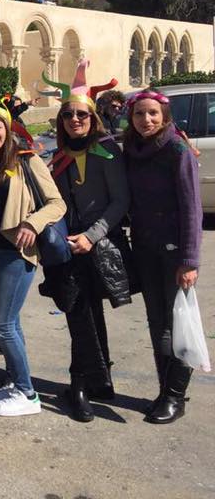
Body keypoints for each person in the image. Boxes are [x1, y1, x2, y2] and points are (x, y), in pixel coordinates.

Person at [0, 87, 66, 417]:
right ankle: (13, 380)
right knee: (9, 324)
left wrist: (33, 223)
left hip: (15, 255)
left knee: (1, 324)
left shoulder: (26, 160)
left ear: (7, 129)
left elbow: (56, 203)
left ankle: (27, 393)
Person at [46, 60, 131, 422]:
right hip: (68, 248)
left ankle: (80, 384)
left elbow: (120, 202)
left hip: (98, 245)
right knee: (80, 312)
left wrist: (91, 237)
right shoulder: (59, 156)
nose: (74, 120)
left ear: (92, 118)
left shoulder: (108, 151)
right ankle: (97, 379)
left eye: (81, 114)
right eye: (68, 115)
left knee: (84, 313)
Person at [124, 90, 202, 424]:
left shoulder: (177, 150)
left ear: (165, 116)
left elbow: (192, 208)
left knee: (177, 325)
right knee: (158, 323)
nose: (146, 120)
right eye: (139, 114)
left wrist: (189, 260)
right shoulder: (132, 149)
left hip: (174, 253)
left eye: (153, 113)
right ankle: (164, 390)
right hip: (145, 249)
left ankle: (175, 397)